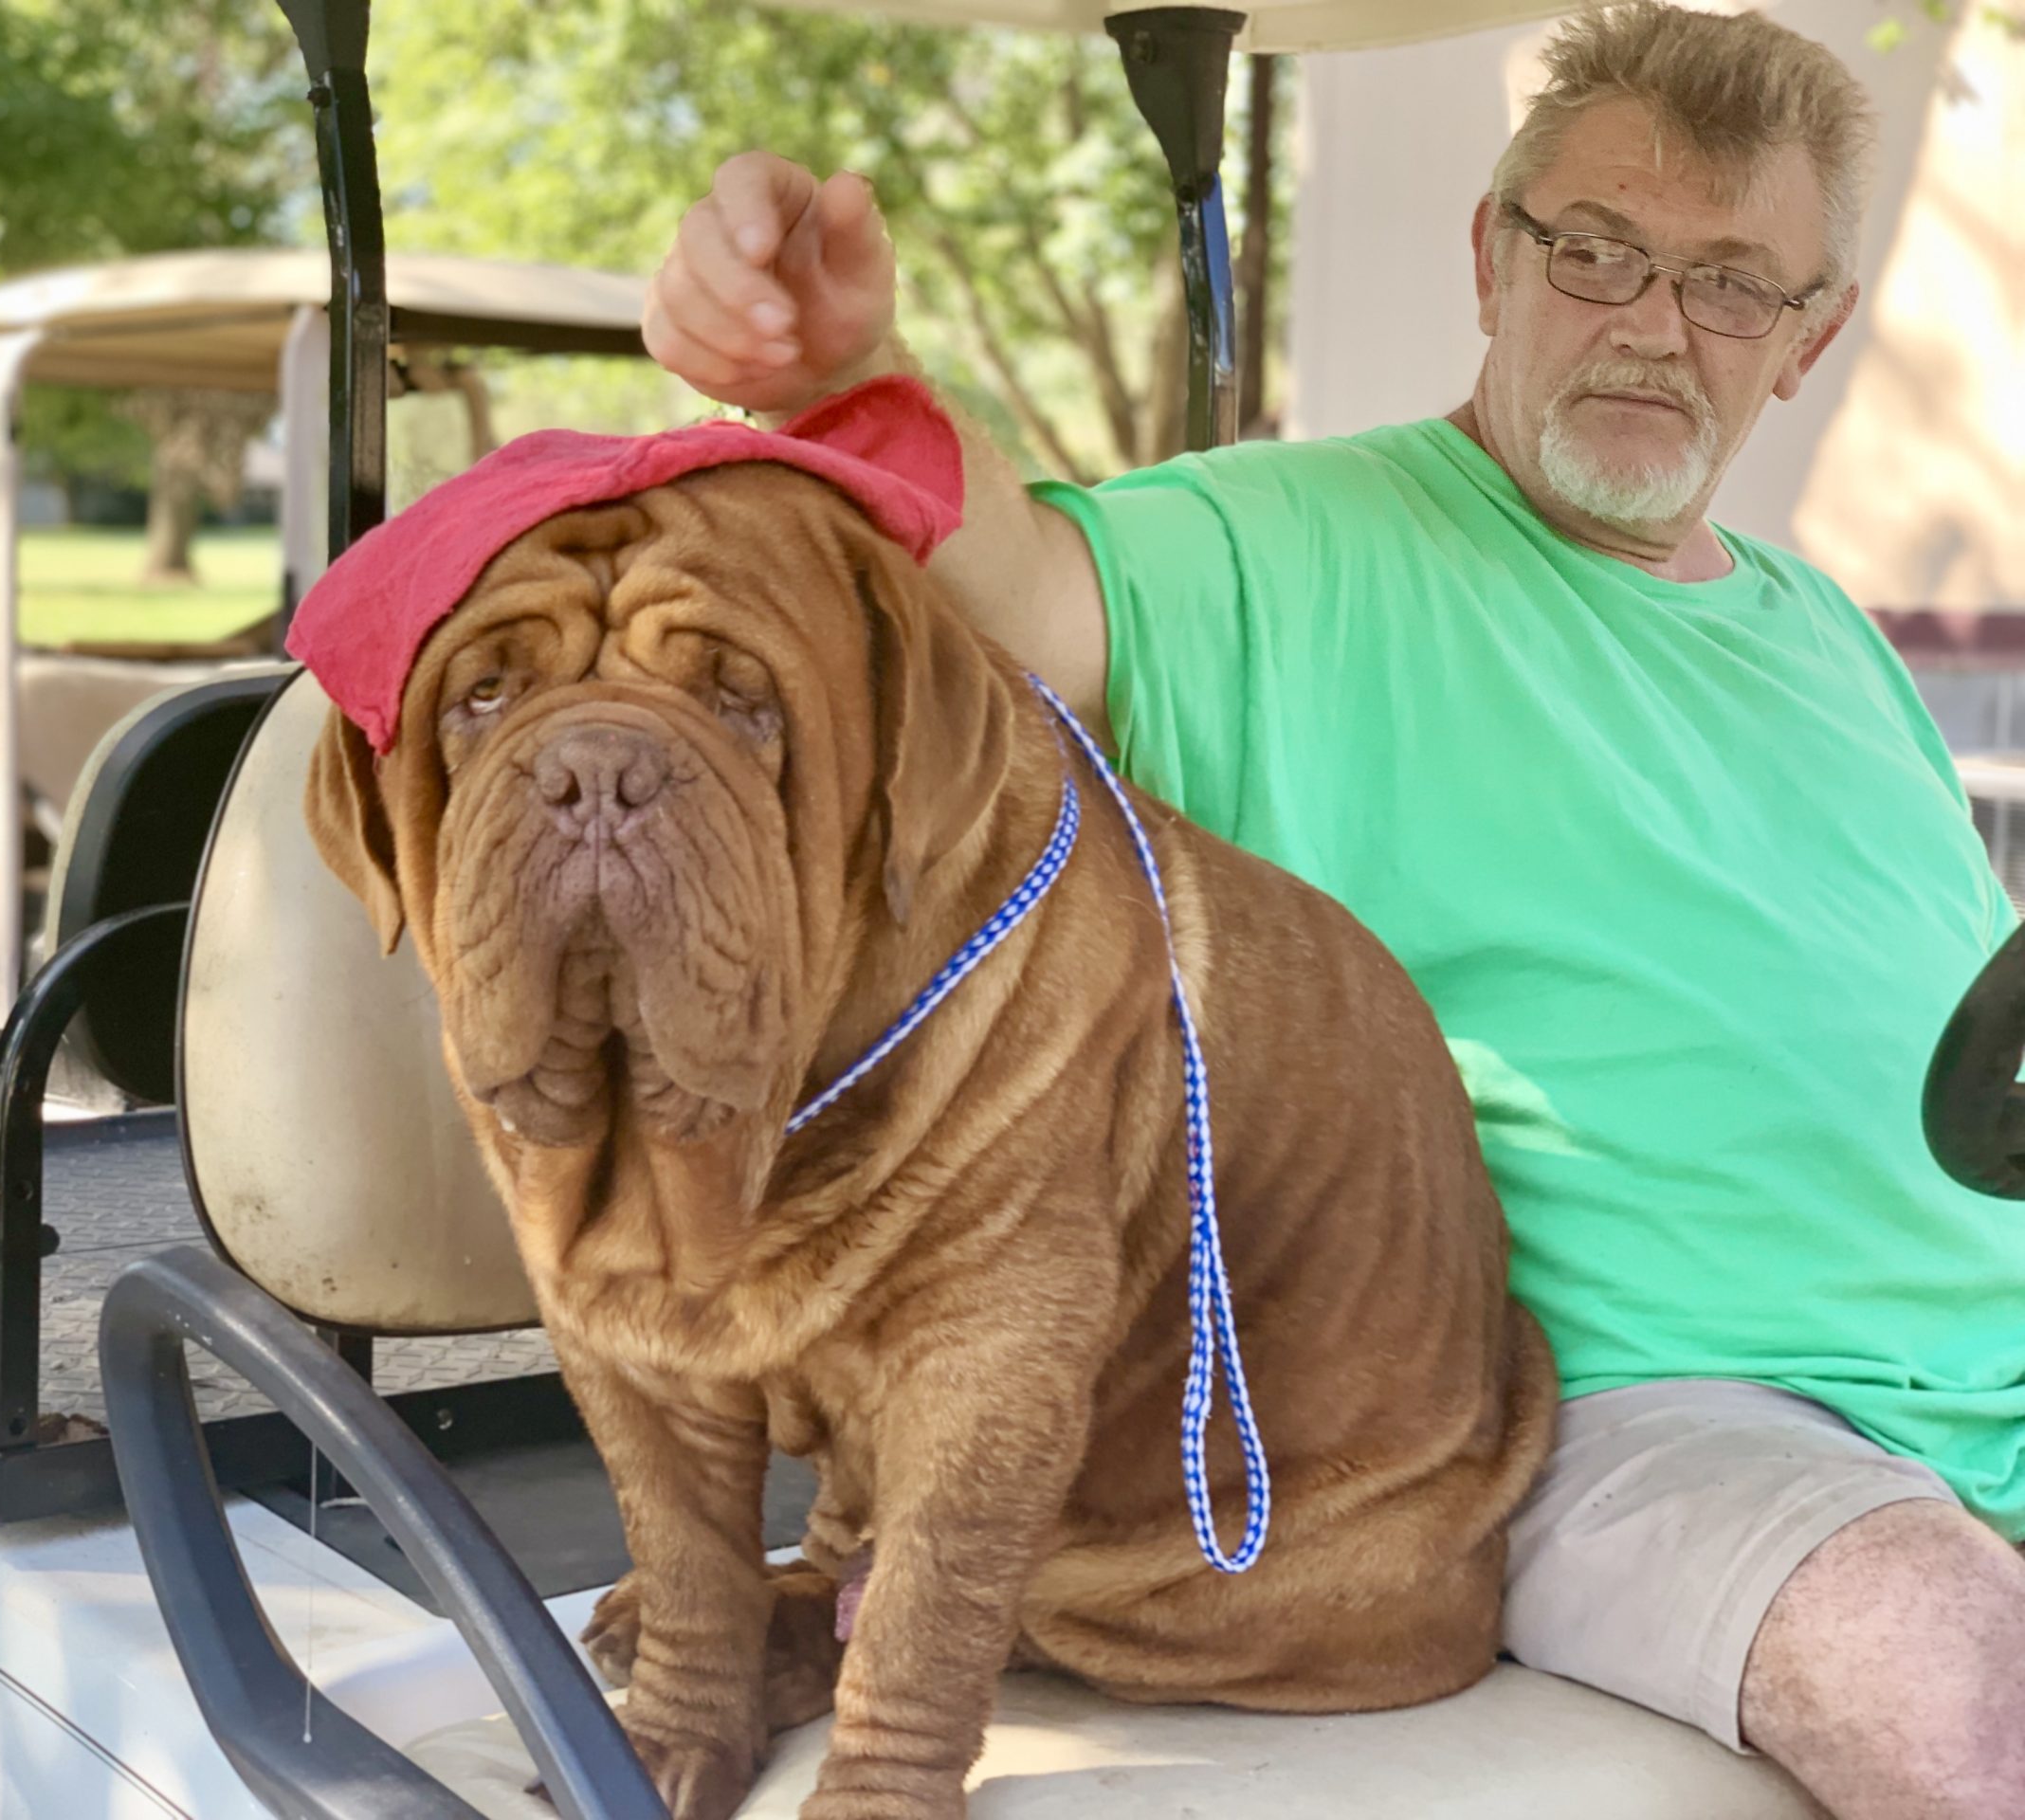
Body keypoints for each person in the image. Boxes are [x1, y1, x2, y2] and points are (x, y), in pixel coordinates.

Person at [641, 4, 2025, 1815]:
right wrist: (834, 382)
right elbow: (1013, 587)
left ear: (1807, 340)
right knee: (1978, 1707)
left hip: (1985, 1361)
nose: (1651, 326)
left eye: (1730, 285)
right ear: (1490, 259)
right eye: (1596, 254)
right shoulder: (1286, 545)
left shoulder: (1826, 627)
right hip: (1664, 1410)